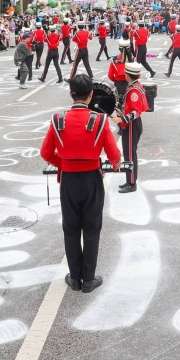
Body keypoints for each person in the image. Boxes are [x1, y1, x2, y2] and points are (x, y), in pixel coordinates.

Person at [40, 74, 121, 294]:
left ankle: (74, 277)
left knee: (71, 228)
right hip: (92, 178)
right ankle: (89, 278)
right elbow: (114, 154)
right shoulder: (100, 120)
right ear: (91, 94)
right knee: (92, 229)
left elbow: (45, 153)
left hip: (68, 179)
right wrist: (115, 164)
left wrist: (64, 163)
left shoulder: (58, 119)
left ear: (70, 94)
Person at [113, 61, 147, 193]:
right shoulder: (134, 86)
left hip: (132, 125)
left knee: (130, 155)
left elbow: (136, 112)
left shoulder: (134, 90)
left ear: (128, 75)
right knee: (128, 154)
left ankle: (132, 183)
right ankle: (129, 180)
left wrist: (121, 119)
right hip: (132, 124)